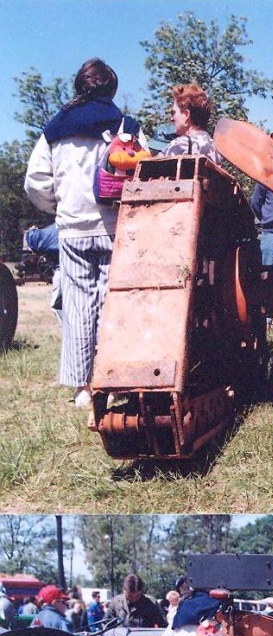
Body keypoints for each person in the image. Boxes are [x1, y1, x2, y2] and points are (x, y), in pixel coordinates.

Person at [24, 58, 144, 407]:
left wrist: (58, 206)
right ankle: (115, 379)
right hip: (113, 226)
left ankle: (83, 388)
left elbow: (35, 182)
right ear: (111, 89)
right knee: (113, 303)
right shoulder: (125, 124)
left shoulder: (54, 129)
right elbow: (145, 168)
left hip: (72, 228)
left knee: (78, 305)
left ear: (80, 87)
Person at [161, 83, 220, 163]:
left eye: (173, 113)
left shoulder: (181, 144)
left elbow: (145, 170)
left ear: (186, 115)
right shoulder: (214, 147)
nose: (171, 119)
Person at [250, 183, 273, 266]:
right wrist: (268, 218)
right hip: (272, 233)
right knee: (268, 270)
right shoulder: (266, 179)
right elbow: (255, 204)